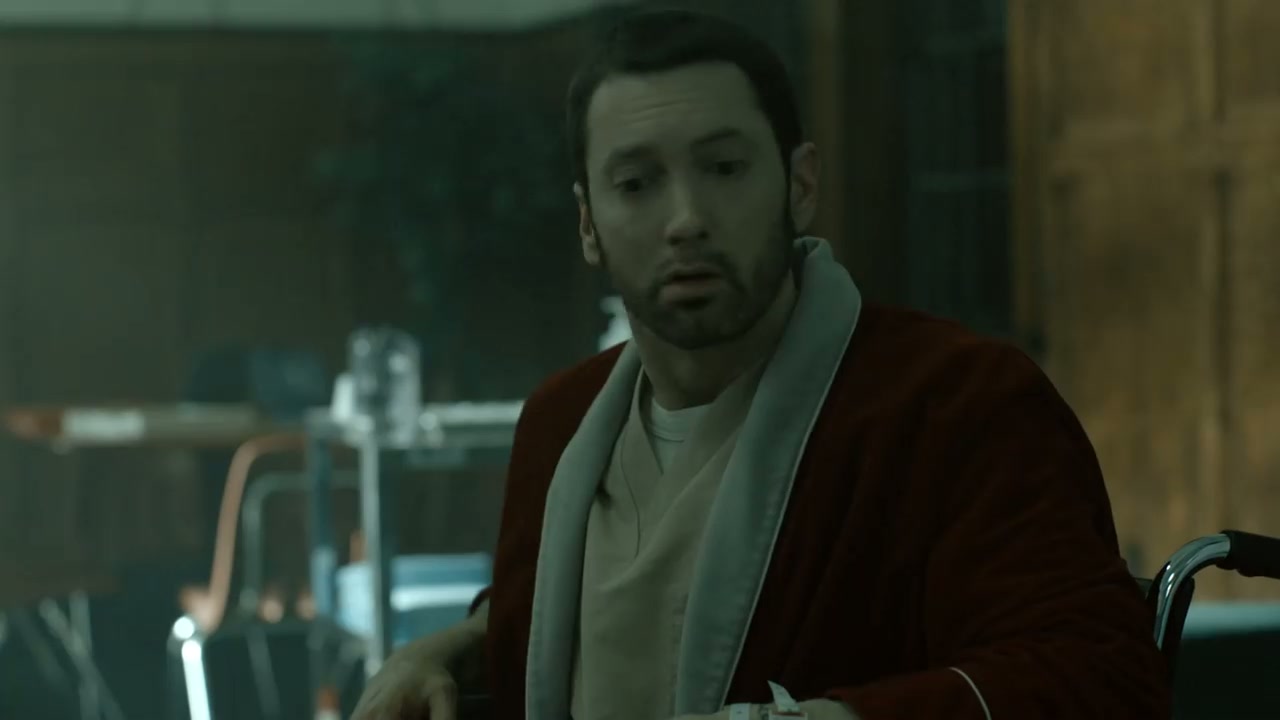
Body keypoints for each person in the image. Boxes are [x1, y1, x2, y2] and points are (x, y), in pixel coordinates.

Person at [352, 9, 1170, 720]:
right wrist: (453, 648)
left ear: (799, 183)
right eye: (636, 183)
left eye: (724, 168)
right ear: (589, 223)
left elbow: (1099, 677)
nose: (686, 218)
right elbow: (574, 617)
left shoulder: (954, 401)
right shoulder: (559, 424)